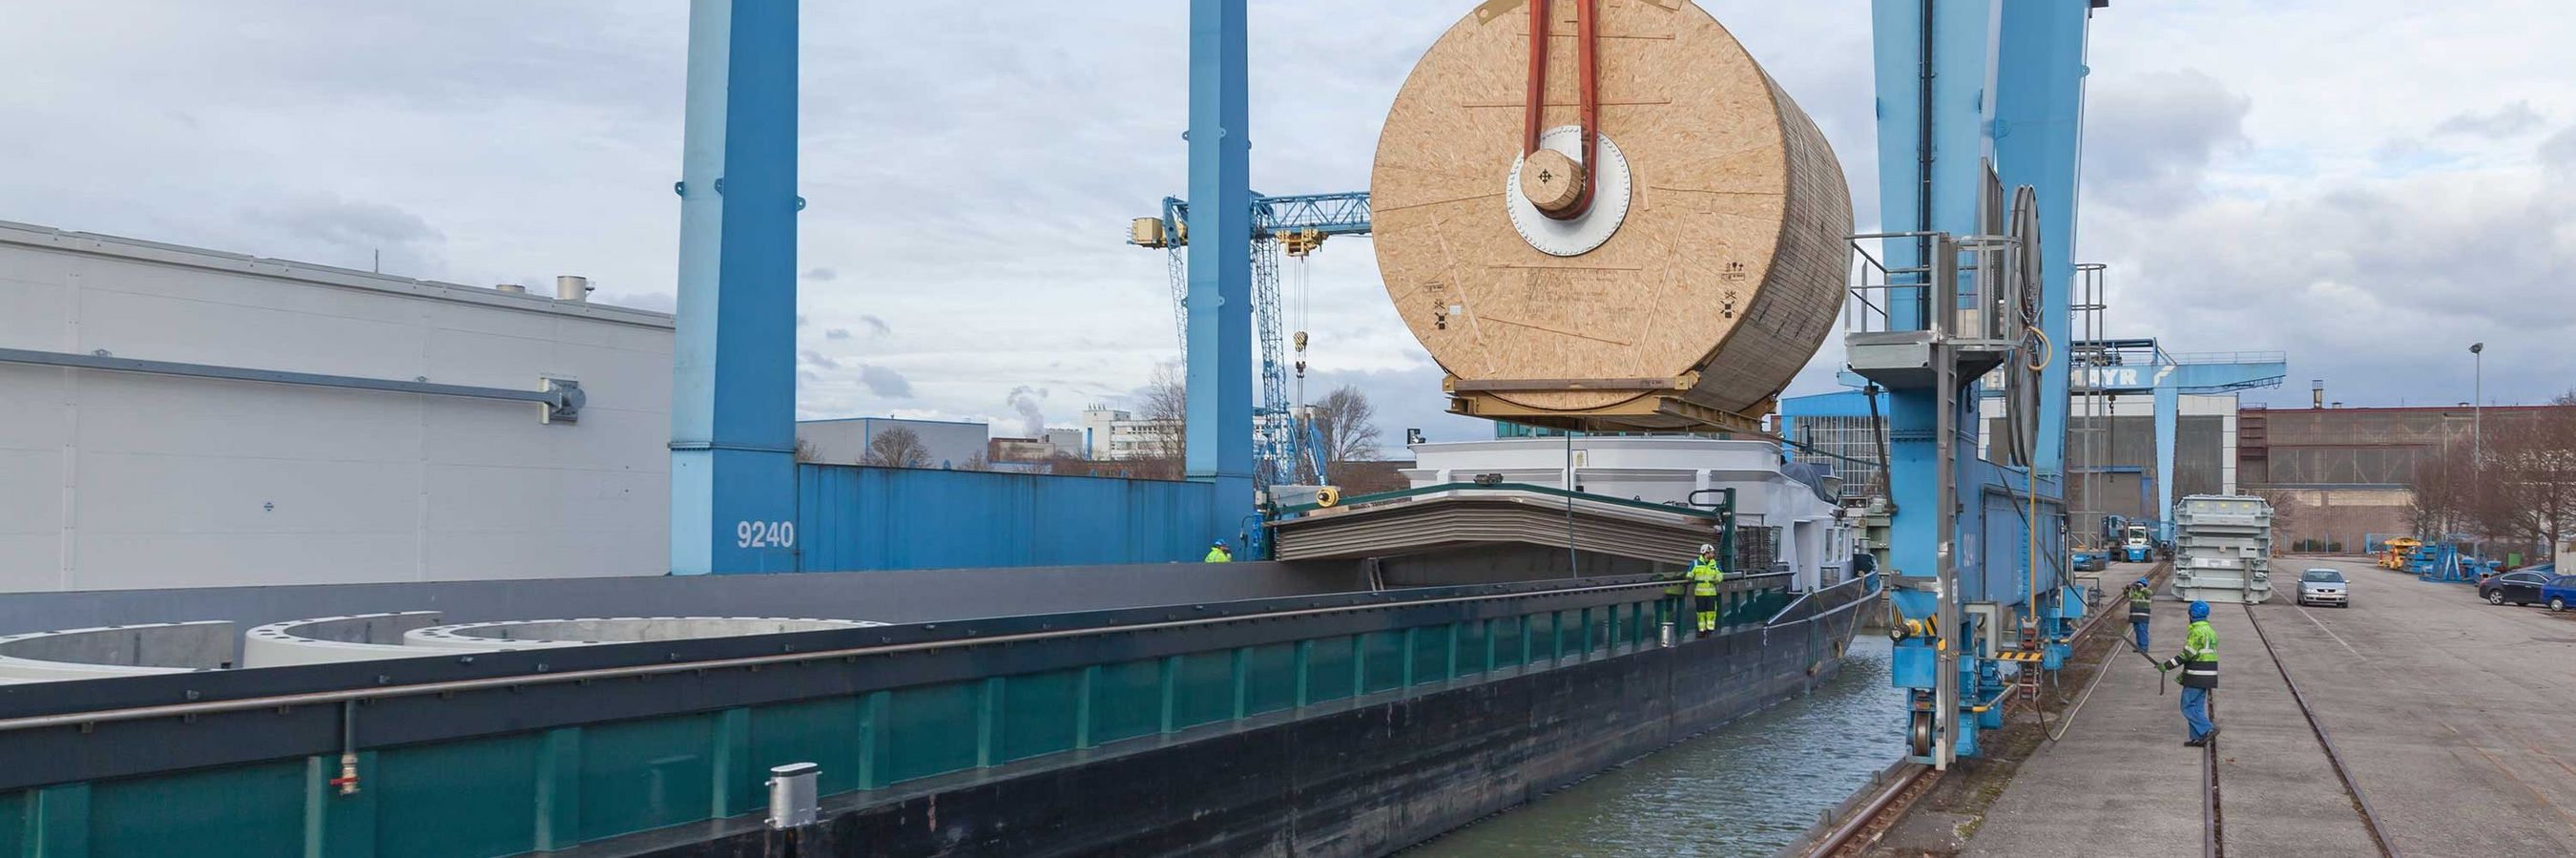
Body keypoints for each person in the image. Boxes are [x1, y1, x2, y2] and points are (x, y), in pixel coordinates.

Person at [2158, 600, 2219, 746]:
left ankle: (2207, 729)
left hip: (2196, 674)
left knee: (2187, 706)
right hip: (2209, 674)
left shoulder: (2196, 631)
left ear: (2191, 615)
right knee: (2197, 706)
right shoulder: (2210, 631)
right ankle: (2198, 738)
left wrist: (2167, 665)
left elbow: (2187, 654)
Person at [1688, 543, 1724, 638]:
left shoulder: (1715, 564)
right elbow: (1689, 574)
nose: (1713, 555)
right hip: (1699, 594)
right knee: (1700, 613)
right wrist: (1690, 577)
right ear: (1705, 553)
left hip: (1711, 593)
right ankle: (1702, 631)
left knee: (1711, 612)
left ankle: (1710, 630)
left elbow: (1720, 574)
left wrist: (1717, 580)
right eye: (1711, 553)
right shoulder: (1695, 563)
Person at [2124, 577, 2154, 651]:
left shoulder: (2147, 592)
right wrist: (2127, 588)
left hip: (2143, 616)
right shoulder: (2134, 592)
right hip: (2135, 616)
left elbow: (2149, 594)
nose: (2138, 586)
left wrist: (2142, 588)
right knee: (2137, 631)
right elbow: (2127, 595)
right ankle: (2139, 647)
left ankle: (2144, 647)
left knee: (2142, 631)